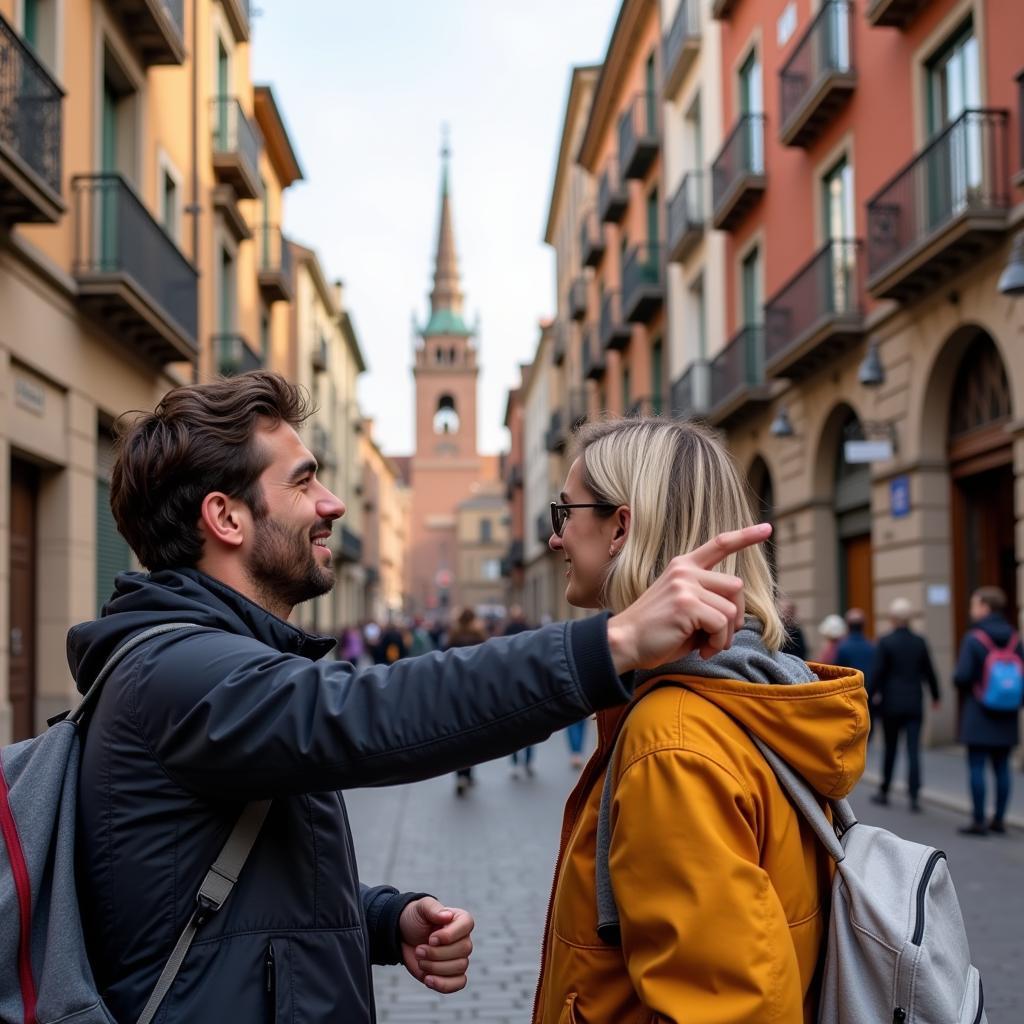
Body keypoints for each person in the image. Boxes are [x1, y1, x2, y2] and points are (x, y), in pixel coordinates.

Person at [70, 373, 767, 1024]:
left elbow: (221, 886)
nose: (332, 504)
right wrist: (608, 644)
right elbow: (383, 710)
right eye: (305, 482)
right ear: (225, 517)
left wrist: (378, 919)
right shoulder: (179, 672)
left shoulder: (202, 663)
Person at [533, 418, 868, 1024]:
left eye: (566, 513)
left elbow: (726, 1010)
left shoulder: (673, 739)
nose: (556, 539)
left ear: (621, 527)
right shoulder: (754, 684)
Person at [953, 586, 1022, 836]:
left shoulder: (974, 638)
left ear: (985, 607)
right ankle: (1000, 819)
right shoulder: (1015, 638)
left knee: (977, 766)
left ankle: (979, 820)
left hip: (979, 711)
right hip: (1007, 713)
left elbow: (962, 676)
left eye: (974, 604)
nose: (972, 610)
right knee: (1002, 767)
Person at [868, 598, 940, 812]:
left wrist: (869, 695)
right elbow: (929, 671)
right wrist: (936, 696)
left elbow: (877, 673)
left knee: (890, 747)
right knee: (913, 750)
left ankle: (885, 790)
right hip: (914, 702)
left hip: (891, 702)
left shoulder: (886, 641)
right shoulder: (919, 641)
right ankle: (914, 795)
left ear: (892, 618)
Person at [445, 608, 489, 795]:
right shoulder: (480, 636)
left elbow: (444, 662)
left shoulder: (453, 637)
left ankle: (460, 773)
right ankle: (468, 773)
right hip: (475, 692)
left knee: (458, 734)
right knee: (473, 734)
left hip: (456, 690)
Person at [503, 606, 536, 777]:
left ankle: (517, 763)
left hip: (513, 687)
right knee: (530, 726)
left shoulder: (507, 632)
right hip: (528, 686)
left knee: (515, 728)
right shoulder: (530, 632)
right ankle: (527, 762)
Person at [836, 608, 877, 740]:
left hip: (849, 696)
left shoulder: (842, 648)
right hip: (867, 694)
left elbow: (837, 672)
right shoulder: (871, 647)